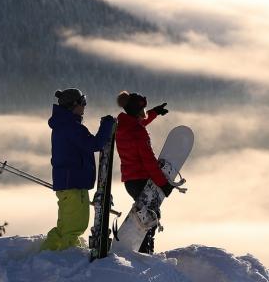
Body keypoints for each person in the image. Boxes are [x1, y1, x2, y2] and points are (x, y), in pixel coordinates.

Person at [40, 88, 115, 251]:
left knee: (65, 226)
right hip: (73, 183)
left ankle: (47, 254)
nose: (85, 106)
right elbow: (94, 144)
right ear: (73, 105)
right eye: (83, 102)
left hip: (69, 183)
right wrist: (107, 125)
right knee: (75, 226)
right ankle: (68, 257)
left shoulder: (65, 125)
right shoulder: (71, 127)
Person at [115, 90, 172, 254]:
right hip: (141, 181)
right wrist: (163, 184)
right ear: (136, 111)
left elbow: (139, 124)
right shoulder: (138, 133)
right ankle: (144, 252)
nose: (144, 114)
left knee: (145, 215)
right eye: (143, 111)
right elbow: (149, 162)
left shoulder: (124, 127)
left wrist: (154, 113)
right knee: (151, 217)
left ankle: (143, 249)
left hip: (130, 182)